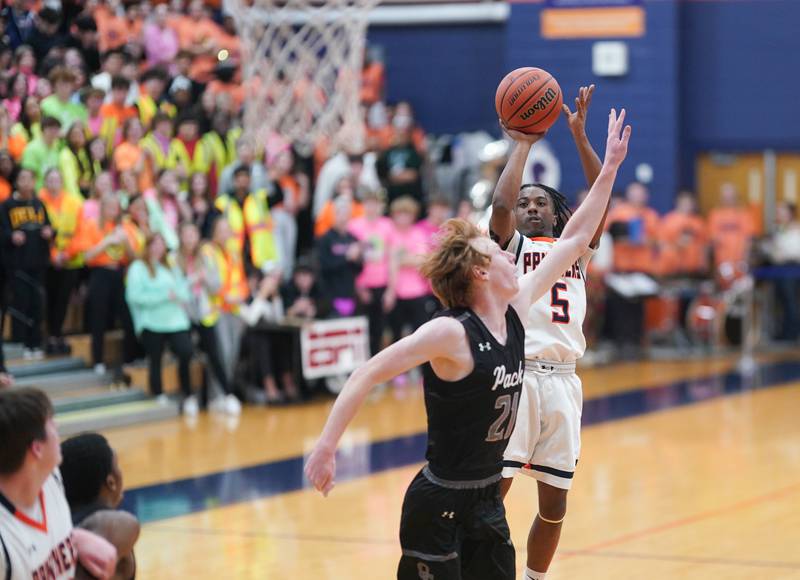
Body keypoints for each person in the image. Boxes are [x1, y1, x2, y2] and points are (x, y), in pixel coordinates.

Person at [305, 106, 630, 580]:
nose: (501, 250)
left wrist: (611, 166)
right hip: (441, 500)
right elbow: (368, 370)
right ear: (481, 271)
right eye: (490, 249)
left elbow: (579, 231)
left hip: (485, 500)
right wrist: (326, 447)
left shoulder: (515, 309)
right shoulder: (451, 331)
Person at [490, 86, 609, 580]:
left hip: (564, 382)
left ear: (560, 213)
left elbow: (601, 196)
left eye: (540, 202)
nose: (530, 207)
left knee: (555, 503)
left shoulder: (574, 248)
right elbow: (499, 205)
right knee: (491, 496)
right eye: (525, 203)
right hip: (516, 379)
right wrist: (523, 143)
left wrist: (580, 135)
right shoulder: (508, 248)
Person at [0, 388, 118, 579]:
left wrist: (76, 537)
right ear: (37, 449)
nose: (57, 427)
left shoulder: (51, 477)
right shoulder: (4, 540)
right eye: (51, 424)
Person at [174, 222, 240, 415]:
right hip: (183, 316)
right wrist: (193, 279)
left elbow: (216, 284)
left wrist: (205, 279)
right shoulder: (174, 259)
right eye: (186, 235)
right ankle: (188, 397)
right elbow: (176, 288)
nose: (190, 239)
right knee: (185, 354)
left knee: (215, 354)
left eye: (193, 234)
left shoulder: (206, 257)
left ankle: (227, 395)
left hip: (205, 314)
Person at [125, 233, 196, 414]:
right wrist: (163, 297)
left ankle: (187, 394)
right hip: (152, 322)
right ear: (147, 246)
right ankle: (158, 393)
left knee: (186, 351)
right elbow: (134, 296)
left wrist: (185, 289)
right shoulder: (138, 268)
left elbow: (182, 292)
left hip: (175, 320)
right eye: (154, 244)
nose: (158, 248)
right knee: (155, 359)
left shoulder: (170, 267)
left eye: (161, 244)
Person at [60, 433, 140, 580]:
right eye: (117, 466)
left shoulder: (57, 528)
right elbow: (126, 524)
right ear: (111, 482)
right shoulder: (115, 526)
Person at [0, 168, 52, 360]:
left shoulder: (39, 204)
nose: (26, 182)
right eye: (22, 178)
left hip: (37, 263)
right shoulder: (6, 206)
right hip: (16, 265)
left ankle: (35, 342)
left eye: (30, 179)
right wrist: (10, 236)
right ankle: (19, 342)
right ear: (16, 182)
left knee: (37, 304)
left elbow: (48, 226)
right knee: (20, 302)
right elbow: (2, 232)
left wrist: (49, 232)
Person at [38, 168, 84, 355]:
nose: (54, 183)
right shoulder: (39, 201)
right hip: (47, 260)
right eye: (50, 179)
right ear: (45, 182)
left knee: (63, 300)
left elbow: (80, 233)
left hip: (69, 260)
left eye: (57, 179)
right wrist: (53, 255)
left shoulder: (74, 203)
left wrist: (66, 254)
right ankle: (47, 335)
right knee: (48, 299)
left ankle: (57, 334)